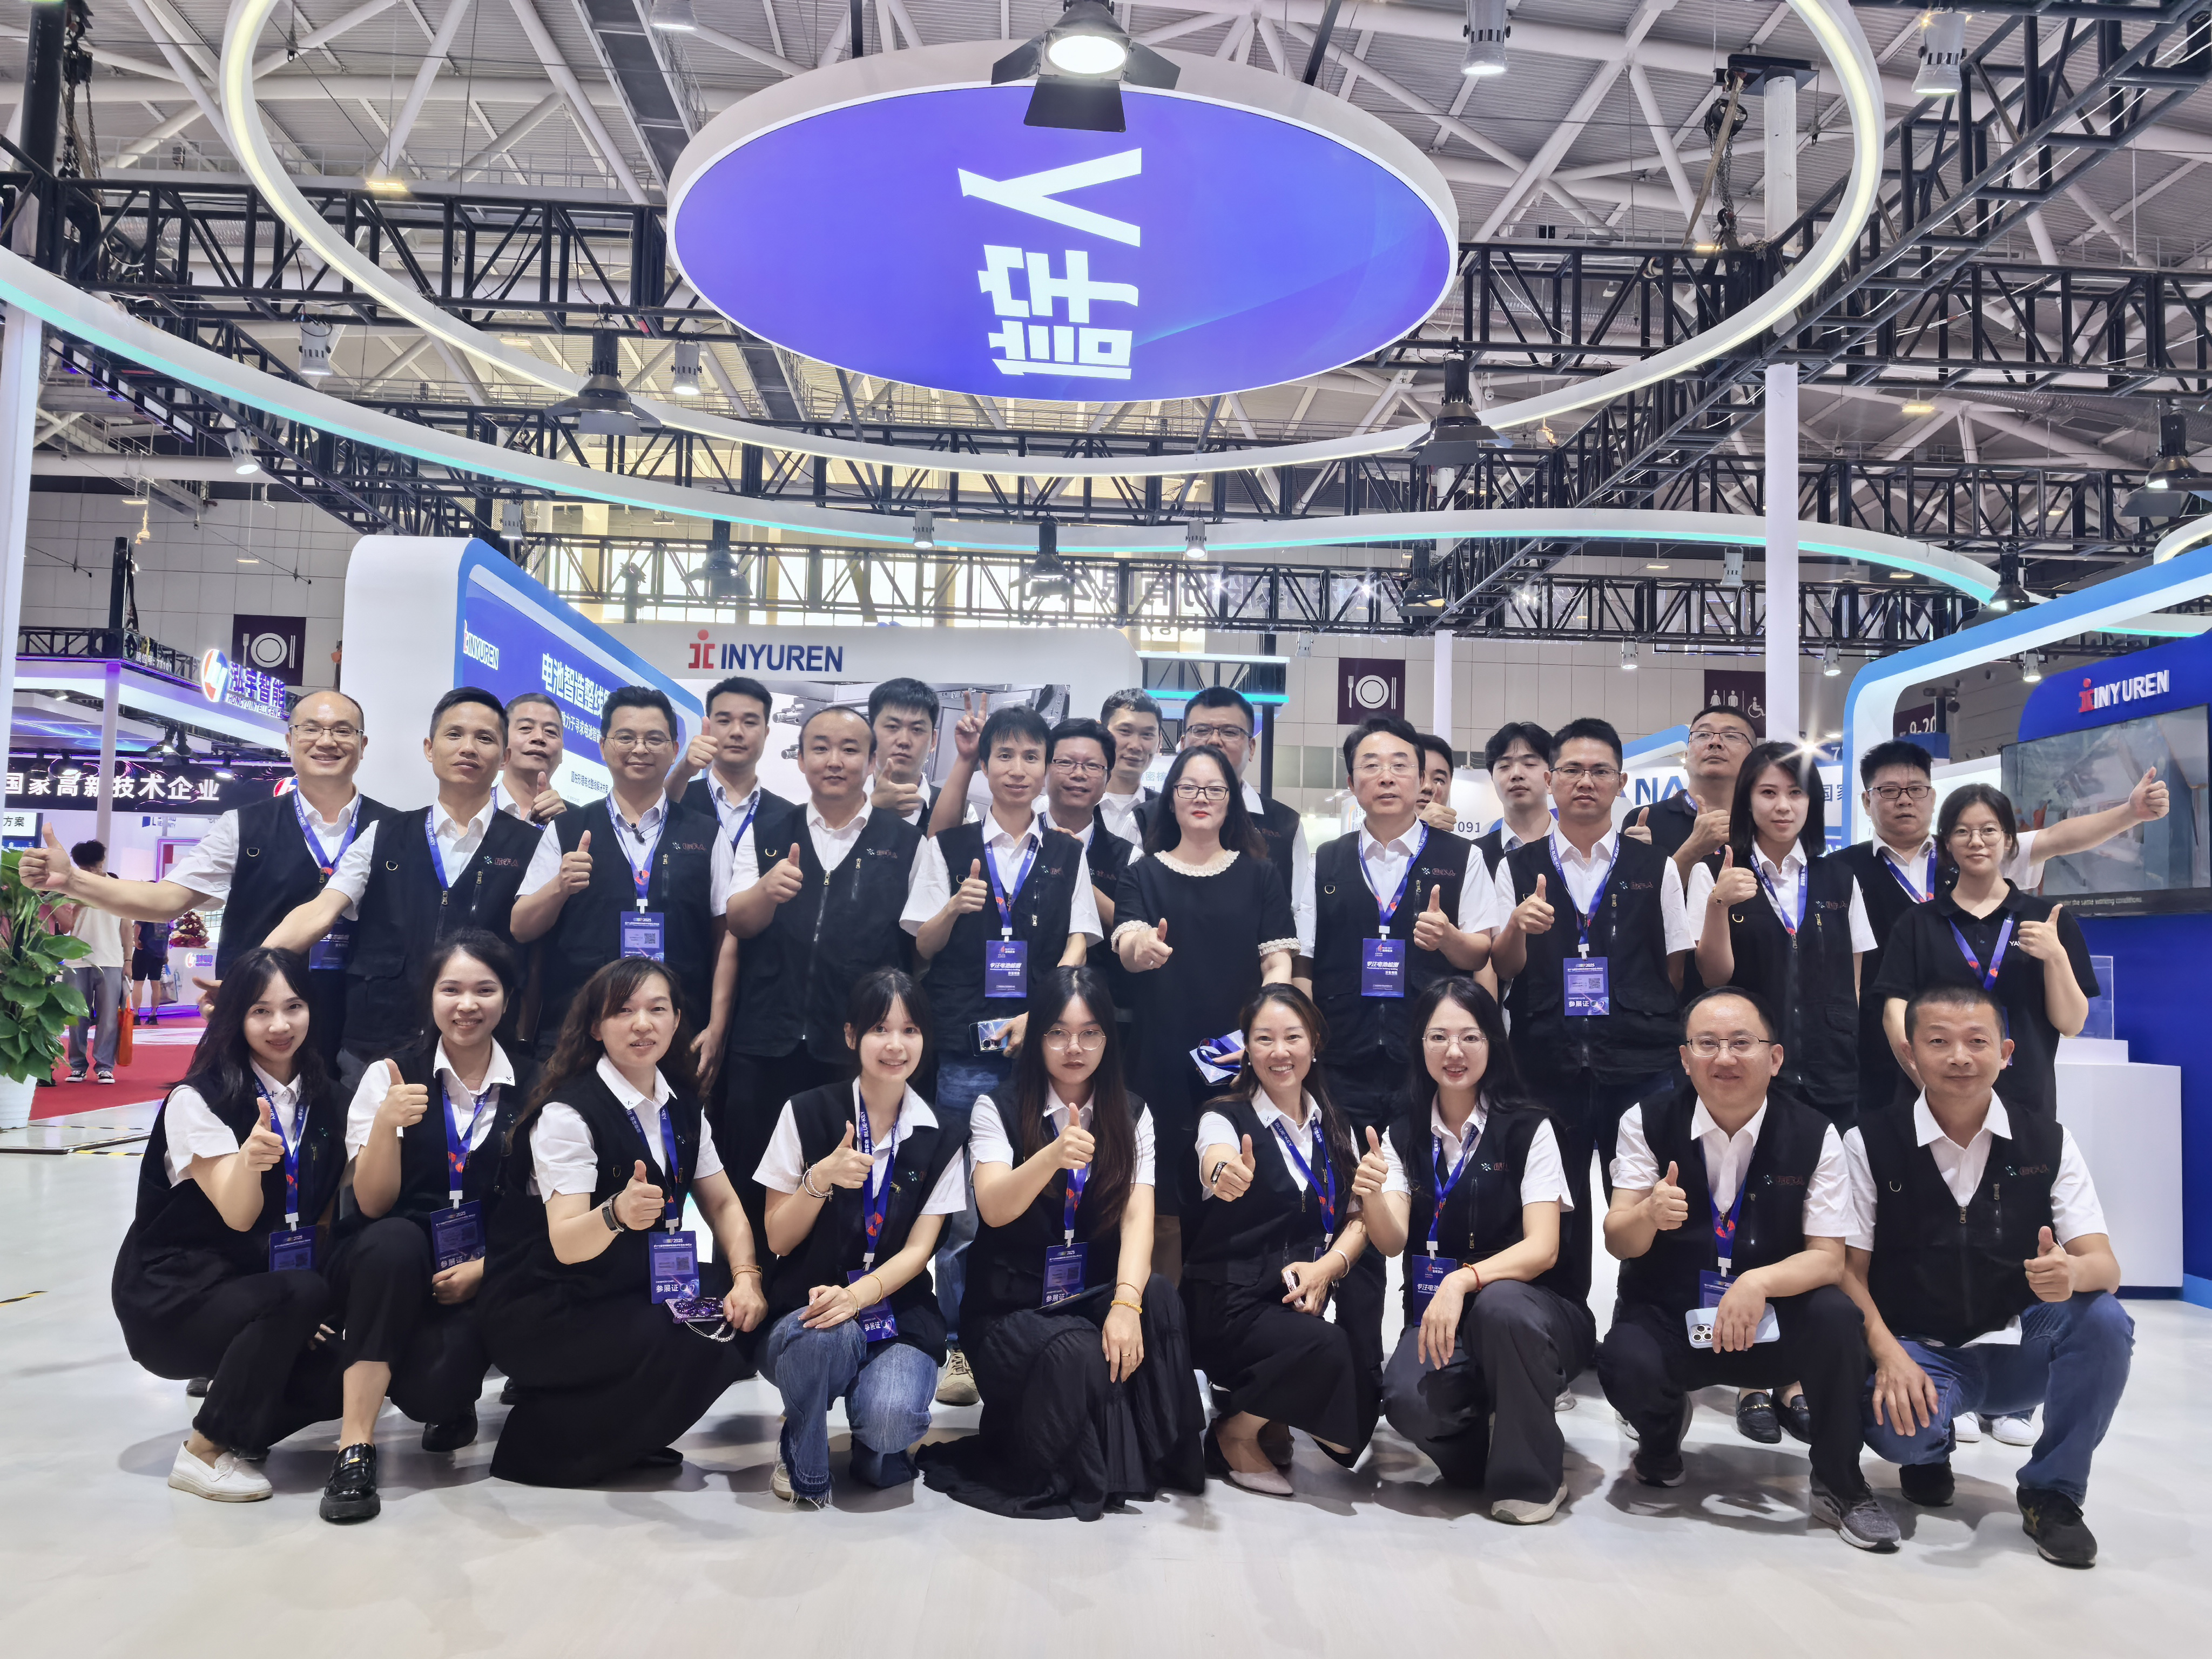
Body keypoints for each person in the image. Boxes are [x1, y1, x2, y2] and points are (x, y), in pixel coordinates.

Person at [1843, 983, 2133, 1568]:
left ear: (2005, 1053)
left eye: (1977, 1042)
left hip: (2018, 1348)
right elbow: (1849, 1273)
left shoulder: (2048, 1141)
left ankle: (2052, 1493)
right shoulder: (1867, 1142)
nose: (1959, 1057)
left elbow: (2106, 1268)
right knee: (1899, 1435)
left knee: (2104, 1320)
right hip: (1922, 1352)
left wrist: (2070, 1272)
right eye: (1939, 1042)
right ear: (1910, 1053)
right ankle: (1931, 1450)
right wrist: (1889, 1355)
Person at [1596, 987, 1896, 1549]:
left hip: (1772, 1318)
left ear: (1774, 1057)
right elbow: (1618, 1241)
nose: (1724, 1058)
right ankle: (1661, 1438)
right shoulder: (1647, 1120)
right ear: (1685, 1059)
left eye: (1741, 1043)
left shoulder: (1814, 1133)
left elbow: (1828, 1257)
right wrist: (1646, 1215)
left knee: (1836, 1317)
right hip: (1673, 1312)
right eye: (1706, 1044)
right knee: (1623, 1358)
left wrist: (1758, 1282)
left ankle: (1840, 1482)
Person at [918, 966, 1205, 1519]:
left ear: (1108, 1039)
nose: (1075, 1048)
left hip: (1087, 1291)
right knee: (1074, 1349)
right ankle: (1095, 1467)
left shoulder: (1132, 1112)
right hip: (1009, 1307)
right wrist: (1051, 1156)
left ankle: (1157, 1455)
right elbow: (994, 1208)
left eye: (1090, 1033)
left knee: (1158, 1298)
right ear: (1037, 1038)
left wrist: (1125, 1304)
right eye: (1058, 1033)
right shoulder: (996, 1108)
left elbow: (1138, 1219)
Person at [477, 956, 766, 1486]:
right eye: (624, 1011)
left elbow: (725, 1205)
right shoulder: (568, 1114)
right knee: (690, 1333)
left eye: (657, 1009)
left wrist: (748, 1277)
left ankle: (624, 1440)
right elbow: (566, 1243)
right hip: (546, 1304)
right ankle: (543, 1446)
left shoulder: (682, 1105)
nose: (642, 1024)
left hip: (625, 1283)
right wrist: (616, 1213)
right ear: (595, 1026)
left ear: (677, 1021)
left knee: (735, 1313)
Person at [905, 703, 1102, 1407]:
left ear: (1045, 768)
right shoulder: (947, 845)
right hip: (963, 1053)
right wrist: (954, 908)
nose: (1018, 770)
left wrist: (1040, 1011)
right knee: (962, 1209)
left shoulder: (1067, 852)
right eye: (1005, 756)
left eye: (1030, 757)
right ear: (984, 766)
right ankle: (958, 1346)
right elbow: (921, 945)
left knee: (1045, 1197)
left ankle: (1034, 1329)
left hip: (1041, 1052)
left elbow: (1078, 942)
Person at [18, 690, 387, 1063]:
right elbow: (166, 901)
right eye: (311, 729)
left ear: (362, 745)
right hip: (256, 1018)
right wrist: (73, 881)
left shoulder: (397, 831)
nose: (326, 741)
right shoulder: (242, 826)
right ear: (290, 741)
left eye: (343, 730)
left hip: (368, 1021)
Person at [316, 932, 538, 1522]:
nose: (467, 1005)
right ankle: (355, 1445)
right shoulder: (390, 1074)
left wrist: (487, 1269)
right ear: (430, 996)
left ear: (507, 998)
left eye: (484, 990)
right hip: (389, 1258)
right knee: (392, 1242)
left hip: (482, 1266)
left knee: (433, 1392)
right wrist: (386, 1125)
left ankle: (452, 1398)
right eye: (451, 990)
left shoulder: (537, 1083)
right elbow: (372, 1203)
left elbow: (539, 1210)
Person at [111, 947, 345, 1502]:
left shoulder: (326, 1097)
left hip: (250, 1285)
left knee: (341, 1376)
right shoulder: (198, 1099)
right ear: (236, 1016)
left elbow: (325, 1212)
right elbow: (239, 1214)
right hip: (173, 1297)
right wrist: (249, 1160)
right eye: (261, 1011)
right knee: (302, 1292)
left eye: (294, 1007)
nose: (280, 1025)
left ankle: (244, 1427)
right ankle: (203, 1451)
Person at [1839, 739, 2167, 1128]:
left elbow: (2058, 837)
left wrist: (2130, 813)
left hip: (2012, 1071)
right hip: (1893, 1053)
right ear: (1867, 801)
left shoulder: (1976, 850)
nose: (1904, 800)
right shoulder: (1840, 871)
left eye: (1916, 789)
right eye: (1889, 791)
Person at [1482, 716, 1692, 1306]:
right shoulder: (1517, 866)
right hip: (1545, 1063)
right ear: (1551, 780)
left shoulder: (1655, 867)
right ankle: (1562, 1326)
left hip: (1639, 1065)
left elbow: (1674, 967)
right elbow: (1504, 966)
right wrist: (1517, 928)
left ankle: (1641, 1325)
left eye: (1600, 771)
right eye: (1572, 770)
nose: (1585, 781)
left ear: (1621, 783)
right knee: (1556, 1206)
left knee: (1643, 1202)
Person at [1370, 980, 1587, 1523]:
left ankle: (1532, 1480)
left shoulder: (1530, 1127)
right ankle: (1487, 1450)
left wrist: (1462, 1279)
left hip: (1534, 1315)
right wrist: (1371, 1194)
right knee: (1406, 1402)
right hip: (1440, 1320)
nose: (1454, 1051)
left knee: (1501, 1306)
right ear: (1419, 1044)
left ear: (1493, 1043)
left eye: (1470, 1036)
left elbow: (1543, 1248)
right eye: (1438, 1036)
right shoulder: (1402, 1134)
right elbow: (1391, 1240)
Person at [1310, 714, 1487, 1382]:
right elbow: (1305, 959)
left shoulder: (1461, 858)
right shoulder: (1326, 860)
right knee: (1357, 1206)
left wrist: (1448, 938)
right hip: (1346, 1065)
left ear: (1423, 780)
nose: (1385, 776)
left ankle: (1431, 1364)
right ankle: (1357, 1370)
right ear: (1351, 780)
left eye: (1400, 765)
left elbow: (1482, 951)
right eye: (1370, 765)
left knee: (1434, 1207)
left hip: (1428, 1070)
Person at [753, 969, 969, 1509]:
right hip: (807, 1311)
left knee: (891, 1423)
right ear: (851, 1035)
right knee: (823, 1336)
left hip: (897, 1315)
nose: (895, 1045)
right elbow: (778, 1238)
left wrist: (855, 1296)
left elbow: (920, 1251)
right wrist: (818, 1180)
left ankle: (874, 1441)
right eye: (880, 1029)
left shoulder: (943, 1134)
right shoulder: (805, 1112)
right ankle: (800, 1439)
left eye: (910, 1030)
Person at [717, 705, 926, 1243]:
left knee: (843, 1180)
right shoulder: (767, 831)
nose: (834, 760)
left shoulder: (906, 843)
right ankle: (745, 1276)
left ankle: (828, 1282)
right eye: (821, 748)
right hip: (765, 1037)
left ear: (872, 761)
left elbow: (919, 947)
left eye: (850, 749)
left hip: (853, 1045)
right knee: (750, 1170)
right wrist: (767, 891)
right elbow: (738, 921)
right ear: (801, 759)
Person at [263, 689, 542, 1087]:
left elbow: (539, 955)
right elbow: (321, 911)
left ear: (504, 757)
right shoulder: (385, 833)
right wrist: (253, 971)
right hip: (378, 1046)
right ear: (429, 748)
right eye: (454, 734)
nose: (468, 748)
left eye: (485, 738)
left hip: (482, 1048)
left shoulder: (531, 845)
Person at [1111, 745, 1298, 1275]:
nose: (1201, 798)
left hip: (1238, 1056)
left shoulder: (1261, 875)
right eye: (1188, 788)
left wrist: (1265, 1032)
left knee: (1236, 1185)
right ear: (1170, 799)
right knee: (1163, 1202)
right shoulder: (1143, 873)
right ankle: (1164, 1315)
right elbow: (1127, 943)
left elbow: (1277, 960)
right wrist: (1143, 947)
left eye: (1214, 789)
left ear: (1230, 800)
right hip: (1160, 1056)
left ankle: (1227, 1310)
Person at [1185, 984, 1380, 1492]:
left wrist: (1328, 1268)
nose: (1280, 1052)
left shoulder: (1334, 1124)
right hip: (1229, 1300)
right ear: (1247, 1048)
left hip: (1295, 1299)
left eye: (1293, 1037)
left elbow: (1359, 1219)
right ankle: (1233, 1434)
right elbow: (1215, 1157)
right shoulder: (1224, 1116)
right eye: (1264, 1038)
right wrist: (1224, 1173)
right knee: (1325, 1348)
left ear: (1314, 1043)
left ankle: (1271, 1412)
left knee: (1356, 1423)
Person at [511, 687, 724, 1074]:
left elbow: (723, 936)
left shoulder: (708, 834)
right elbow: (521, 926)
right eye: (625, 737)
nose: (639, 748)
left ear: (674, 750)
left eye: (654, 739)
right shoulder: (568, 828)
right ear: (603, 746)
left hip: (674, 1037)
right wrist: (560, 887)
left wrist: (717, 1026)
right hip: (579, 1034)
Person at [1872, 784, 2099, 1122]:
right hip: (1934, 1101)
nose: (1976, 841)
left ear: (2008, 840)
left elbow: (2072, 1024)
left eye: (1989, 830)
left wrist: (2055, 957)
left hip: (2025, 1102)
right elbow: (1895, 1012)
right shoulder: (1917, 923)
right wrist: (1929, 1084)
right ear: (1947, 843)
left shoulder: (2047, 919)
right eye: (1962, 831)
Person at [1687, 740, 1874, 1130]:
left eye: (1796, 793)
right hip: (1747, 1065)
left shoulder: (1840, 878)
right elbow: (1713, 977)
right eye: (1769, 793)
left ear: (1812, 801)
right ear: (1747, 800)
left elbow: (1853, 982)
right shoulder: (1714, 872)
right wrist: (1718, 903)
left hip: (1831, 1069)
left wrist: (1842, 1034)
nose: (1784, 806)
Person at [1135, 685, 1313, 962]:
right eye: (1201, 730)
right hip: (1160, 975)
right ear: (1183, 744)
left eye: (1230, 732)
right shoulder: (1146, 818)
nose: (1214, 741)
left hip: (1257, 979)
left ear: (1251, 747)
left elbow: (1301, 913)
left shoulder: (1286, 824)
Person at [663, 672, 793, 835]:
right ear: (709, 728)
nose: (737, 732)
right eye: (724, 721)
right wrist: (683, 771)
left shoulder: (790, 818)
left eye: (750, 722)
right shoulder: (678, 798)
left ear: (765, 734)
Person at [1641, 705, 1759, 879]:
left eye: (1731, 736)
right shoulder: (1646, 821)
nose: (1715, 742)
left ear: (1753, 759)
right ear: (1686, 756)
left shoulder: (1766, 823)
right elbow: (1639, 896)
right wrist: (1694, 849)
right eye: (1703, 735)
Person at [58, 840, 132, 1083]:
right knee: (76, 1017)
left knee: (109, 1017)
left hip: (111, 958)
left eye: (93, 866)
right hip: (76, 960)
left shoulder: (117, 887)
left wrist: (128, 960)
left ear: (102, 862)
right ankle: (77, 1065)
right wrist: (79, 902)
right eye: (85, 867)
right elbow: (65, 927)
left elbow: (126, 926)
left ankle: (104, 1066)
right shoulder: (71, 887)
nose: (90, 870)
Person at [1472, 721, 1554, 877]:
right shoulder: (1476, 855)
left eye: (1529, 764)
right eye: (1504, 766)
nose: (1516, 774)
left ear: (1550, 776)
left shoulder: (1575, 846)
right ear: (1492, 777)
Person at [868, 677, 943, 826]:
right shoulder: (838, 800)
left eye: (917, 729)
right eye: (892, 727)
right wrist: (871, 808)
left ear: (933, 741)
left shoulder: (956, 810)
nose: (904, 741)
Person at [1098, 688, 1164, 847]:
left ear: (1159, 741)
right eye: (1125, 731)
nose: (1135, 746)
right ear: (1100, 733)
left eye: (1147, 735)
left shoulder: (1168, 811)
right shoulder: (1068, 803)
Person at [495, 691, 569, 824]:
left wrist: (564, 827)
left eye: (551, 732)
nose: (539, 737)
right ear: (502, 741)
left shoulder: (578, 822)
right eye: (526, 728)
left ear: (562, 752)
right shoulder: (474, 806)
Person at [1414, 731, 1460, 833]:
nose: (1427, 787)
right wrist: (1421, 829)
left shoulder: (1463, 845)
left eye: (1439, 779)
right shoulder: (1377, 838)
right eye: (1419, 776)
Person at [131, 918, 173, 1027]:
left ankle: (136, 1015)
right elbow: (167, 936)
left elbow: (138, 926)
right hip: (160, 952)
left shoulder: (147, 911)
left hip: (143, 949)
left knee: (138, 982)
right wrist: (165, 954)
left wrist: (136, 940)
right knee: (156, 983)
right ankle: (154, 1015)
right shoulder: (166, 915)